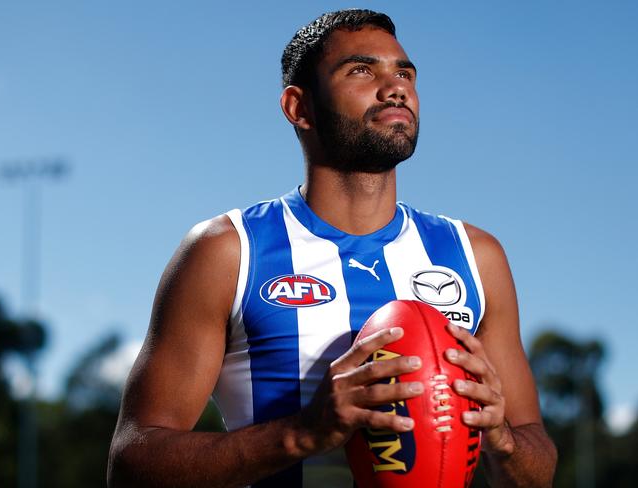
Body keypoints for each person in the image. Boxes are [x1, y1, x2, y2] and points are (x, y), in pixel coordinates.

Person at [108, 9, 556, 487]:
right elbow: (132, 465)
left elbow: (536, 471)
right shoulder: (228, 252)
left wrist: (502, 440)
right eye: (362, 70)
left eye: (404, 73)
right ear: (298, 107)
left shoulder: (474, 255)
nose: (395, 87)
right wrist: (305, 433)